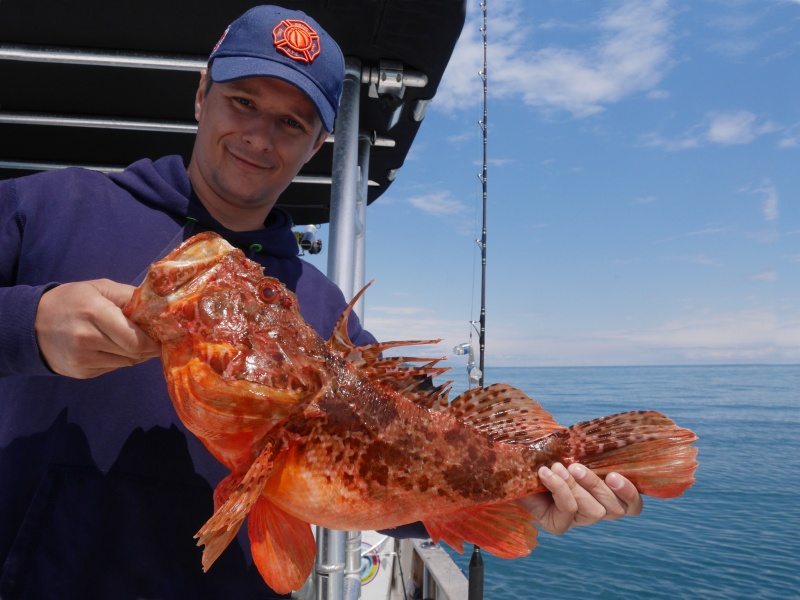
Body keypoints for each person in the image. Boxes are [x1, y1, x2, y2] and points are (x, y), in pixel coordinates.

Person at [0, 5, 642, 598]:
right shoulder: (47, 207)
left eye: (291, 122)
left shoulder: (324, 305)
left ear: (317, 144)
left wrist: (519, 497)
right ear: (201, 95)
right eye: (242, 101)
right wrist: (25, 326)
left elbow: (373, 485)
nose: (258, 135)